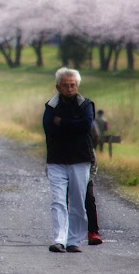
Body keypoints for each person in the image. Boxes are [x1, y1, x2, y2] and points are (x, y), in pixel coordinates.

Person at [43, 67, 94, 253]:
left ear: (77, 85)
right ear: (58, 87)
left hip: (80, 159)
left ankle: (75, 240)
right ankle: (59, 240)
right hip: (56, 160)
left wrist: (63, 123)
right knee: (57, 201)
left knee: (78, 200)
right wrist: (72, 125)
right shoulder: (50, 106)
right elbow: (49, 128)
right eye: (65, 85)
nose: (70, 89)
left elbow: (85, 126)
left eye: (73, 85)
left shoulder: (86, 105)